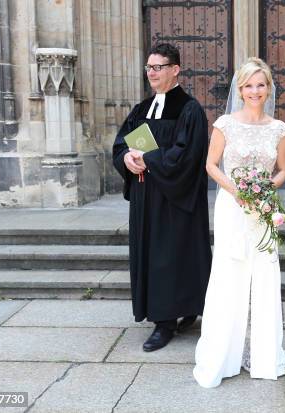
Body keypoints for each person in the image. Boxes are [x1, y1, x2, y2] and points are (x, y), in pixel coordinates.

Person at [193, 58, 285, 388]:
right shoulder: (225, 124)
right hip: (232, 206)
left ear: (269, 88)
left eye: (260, 84)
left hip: (263, 208)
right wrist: (238, 190)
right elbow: (210, 164)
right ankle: (225, 355)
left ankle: (262, 355)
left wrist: (264, 190)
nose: (255, 91)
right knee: (230, 274)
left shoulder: (279, 129)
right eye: (249, 85)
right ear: (240, 89)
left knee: (264, 276)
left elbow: (283, 171)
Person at [112, 43, 211, 352]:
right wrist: (127, 159)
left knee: (172, 256)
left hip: (174, 199)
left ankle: (168, 320)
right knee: (151, 255)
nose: (151, 73)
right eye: (148, 68)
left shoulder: (189, 109)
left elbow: (187, 155)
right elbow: (121, 144)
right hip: (145, 198)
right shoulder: (141, 109)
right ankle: (164, 316)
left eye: (157, 67)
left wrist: (150, 160)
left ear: (175, 70)